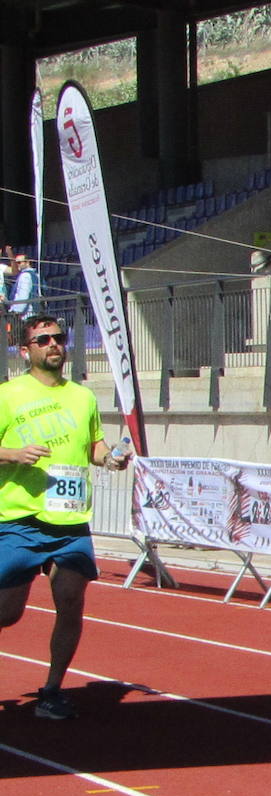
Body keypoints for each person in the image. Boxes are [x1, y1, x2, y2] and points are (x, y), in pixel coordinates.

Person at [0, 315, 133, 720]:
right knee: (7, 614)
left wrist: (110, 458)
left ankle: (52, 690)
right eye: (43, 340)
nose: (54, 345)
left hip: (70, 521)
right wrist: (14, 454)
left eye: (59, 338)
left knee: (71, 601)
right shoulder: (8, 395)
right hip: (20, 519)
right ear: (26, 351)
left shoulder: (82, 397)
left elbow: (92, 445)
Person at [7, 253, 39, 321]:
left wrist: (16, 311)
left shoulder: (25, 276)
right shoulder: (35, 274)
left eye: (19, 262)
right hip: (33, 312)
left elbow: (23, 295)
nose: (16, 265)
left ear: (27, 262)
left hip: (24, 316)